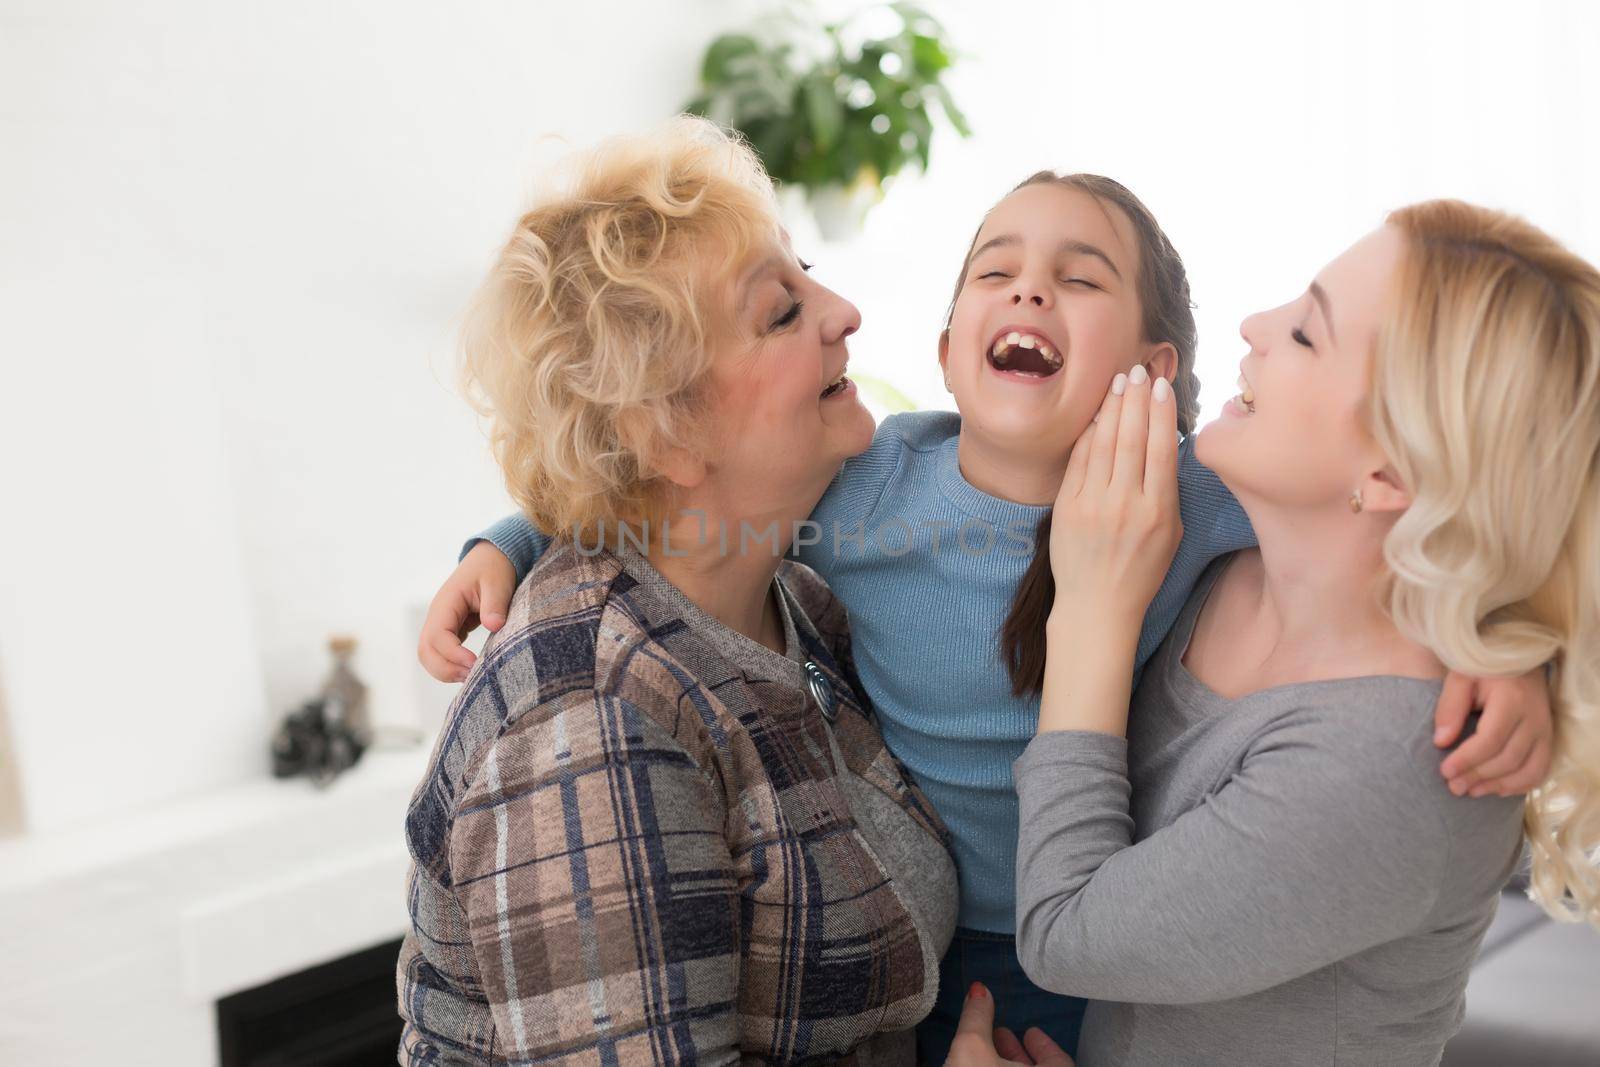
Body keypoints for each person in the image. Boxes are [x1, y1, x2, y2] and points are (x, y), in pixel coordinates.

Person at [417, 175, 1555, 1062]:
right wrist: (508, 542)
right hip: (938, 940)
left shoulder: (1194, 493)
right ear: (950, 350)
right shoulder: (860, 492)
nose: (1027, 292)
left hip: (1093, 941)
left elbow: (1431, 535)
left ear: (1155, 374)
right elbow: (642, 479)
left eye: (1078, 277)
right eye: (994, 271)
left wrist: (1496, 648)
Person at [396, 116, 959, 1065]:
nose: (843, 312)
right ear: (665, 435)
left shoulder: (796, 596)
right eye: (781, 312)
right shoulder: (589, 721)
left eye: (807, 274)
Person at [1009, 201, 1600, 1066]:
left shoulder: (1395, 759)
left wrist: (1092, 615)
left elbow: (1064, 934)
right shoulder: (1226, 540)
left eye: (1306, 335)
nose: (1253, 326)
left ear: (1395, 468)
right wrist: (1519, 650)